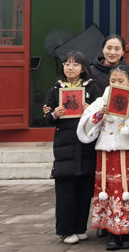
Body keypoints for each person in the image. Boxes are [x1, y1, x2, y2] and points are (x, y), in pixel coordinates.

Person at [77, 64, 129, 250]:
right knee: (109, 190)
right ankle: (112, 233)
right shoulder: (102, 100)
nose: (117, 83)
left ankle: (127, 234)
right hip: (106, 152)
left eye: (121, 80)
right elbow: (86, 123)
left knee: (127, 191)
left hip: (128, 151)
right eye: (113, 80)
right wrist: (99, 114)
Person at [42, 51, 104, 245]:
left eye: (75, 64)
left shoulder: (93, 88)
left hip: (86, 145)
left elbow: (101, 114)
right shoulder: (55, 89)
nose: (70, 67)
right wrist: (55, 114)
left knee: (84, 191)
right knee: (65, 192)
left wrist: (90, 110)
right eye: (67, 64)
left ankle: (80, 227)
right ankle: (65, 230)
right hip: (65, 146)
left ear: (83, 68)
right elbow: (48, 118)